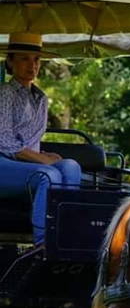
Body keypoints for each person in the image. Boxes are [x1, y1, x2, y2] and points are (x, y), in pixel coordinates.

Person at [0, 32, 81, 247]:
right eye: (24, 58)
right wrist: (41, 160)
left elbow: (31, 140)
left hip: (24, 164)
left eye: (36, 59)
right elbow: (4, 141)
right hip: (3, 162)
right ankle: (43, 245)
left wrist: (42, 155)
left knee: (71, 167)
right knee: (48, 174)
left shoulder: (41, 98)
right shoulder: (5, 93)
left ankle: (65, 235)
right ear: (10, 61)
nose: (32, 65)